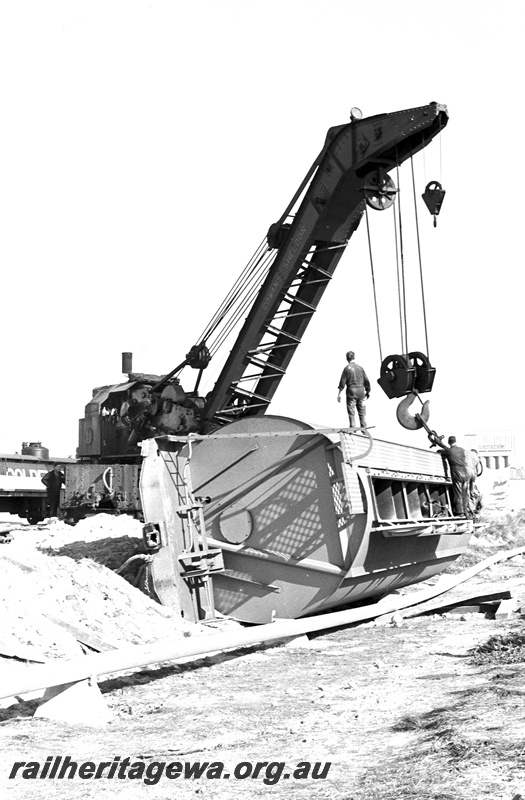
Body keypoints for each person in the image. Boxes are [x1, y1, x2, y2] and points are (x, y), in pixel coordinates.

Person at [430, 435, 470, 516]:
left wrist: (438, 443)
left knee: (458, 492)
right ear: (456, 441)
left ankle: (459, 512)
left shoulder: (449, 451)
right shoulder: (462, 450)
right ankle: (465, 511)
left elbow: (441, 449)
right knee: (464, 493)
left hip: (457, 473)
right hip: (465, 473)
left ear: (449, 442)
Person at [337, 351, 371, 429]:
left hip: (351, 391)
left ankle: (352, 428)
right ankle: (364, 428)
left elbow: (342, 382)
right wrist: (368, 391)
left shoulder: (347, 369)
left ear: (347, 358)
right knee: (362, 411)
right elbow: (367, 381)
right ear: (354, 357)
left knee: (351, 411)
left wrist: (339, 394)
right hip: (361, 391)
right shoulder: (360, 368)